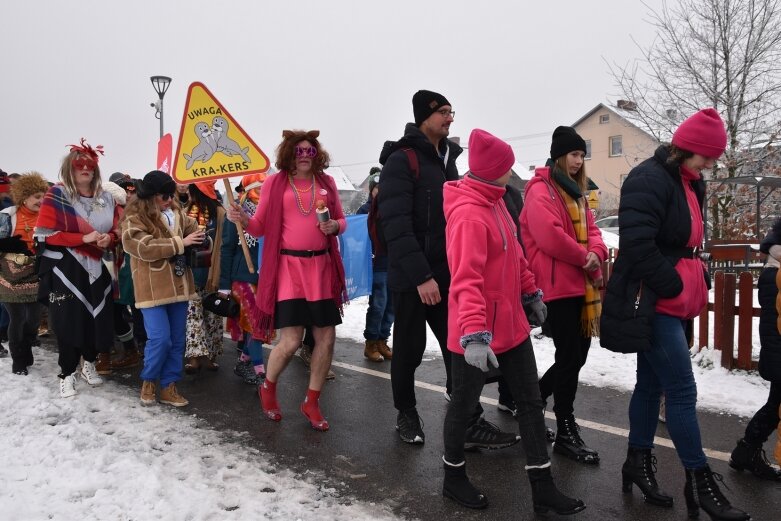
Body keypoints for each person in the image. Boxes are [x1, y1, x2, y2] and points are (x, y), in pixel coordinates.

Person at [601, 109, 750, 520]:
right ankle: (699, 482)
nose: (711, 164)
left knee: (650, 387)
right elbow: (636, 243)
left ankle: (638, 461)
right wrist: (675, 283)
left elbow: (685, 241)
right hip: (655, 302)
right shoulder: (649, 178)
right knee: (681, 392)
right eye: (707, 156)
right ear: (689, 149)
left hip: (673, 302)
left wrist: (693, 273)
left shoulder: (689, 180)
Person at [441, 129, 585, 514]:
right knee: (464, 404)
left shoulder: (497, 202)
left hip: (511, 324)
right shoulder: (469, 215)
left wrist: (530, 292)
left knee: (531, 402)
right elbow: (465, 279)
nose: (511, 172)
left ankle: (543, 485)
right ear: (492, 171)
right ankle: (453, 477)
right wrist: (473, 334)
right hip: (476, 334)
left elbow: (516, 254)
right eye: (506, 167)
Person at [378, 90, 517, 449]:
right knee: (408, 350)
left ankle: (468, 421)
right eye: (442, 112)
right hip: (413, 277)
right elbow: (396, 224)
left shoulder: (446, 160)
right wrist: (421, 276)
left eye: (451, 111)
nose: (449, 118)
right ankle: (406, 414)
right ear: (423, 116)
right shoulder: (402, 160)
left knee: (460, 346)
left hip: (447, 272)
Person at [226, 129, 347, 431]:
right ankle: (268, 386)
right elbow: (258, 227)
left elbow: (342, 220)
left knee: (326, 338)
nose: (305, 156)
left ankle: (312, 401)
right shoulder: (276, 184)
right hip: (288, 270)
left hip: (321, 269)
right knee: (291, 341)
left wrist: (335, 225)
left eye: (310, 151)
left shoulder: (327, 184)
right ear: (289, 153)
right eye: (299, 151)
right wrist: (241, 218)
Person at [520, 126, 607, 463]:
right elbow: (549, 236)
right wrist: (584, 257)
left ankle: (536, 401)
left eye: (582, 155)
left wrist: (596, 253)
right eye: (573, 154)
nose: (577, 161)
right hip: (556, 288)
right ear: (559, 155)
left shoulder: (577, 193)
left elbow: (595, 229)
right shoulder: (540, 190)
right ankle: (566, 427)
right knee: (570, 355)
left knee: (576, 356)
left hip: (580, 286)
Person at [34, 139, 120, 398]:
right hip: (66, 266)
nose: (85, 169)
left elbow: (117, 229)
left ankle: (89, 363)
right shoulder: (57, 196)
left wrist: (110, 239)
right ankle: (67, 372)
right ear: (69, 168)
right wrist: (82, 239)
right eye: (79, 165)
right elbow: (45, 235)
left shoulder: (107, 198)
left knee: (99, 316)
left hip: (98, 263)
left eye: (90, 166)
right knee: (70, 319)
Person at [121, 170, 204, 406]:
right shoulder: (134, 217)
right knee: (160, 339)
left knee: (178, 341)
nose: (169, 199)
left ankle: (169, 385)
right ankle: (149, 380)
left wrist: (198, 236)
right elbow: (141, 246)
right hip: (152, 289)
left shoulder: (177, 212)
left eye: (171, 194)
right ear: (150, 196)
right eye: (164, 195)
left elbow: (192, 228)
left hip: (179, 285)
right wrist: (181, 243)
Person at [727, 218, 781, 481]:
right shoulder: (775, 276)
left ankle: (746, 450)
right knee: (775, 406)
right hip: (779, 352)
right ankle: (747, 449)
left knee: (775, 405)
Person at [220, 173, 272, 385]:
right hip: (243, 278)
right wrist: (224, 285)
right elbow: (227, 249)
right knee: (254, 326)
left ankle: (243, 363)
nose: (262, 193)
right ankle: (261, 373)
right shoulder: (235, 214)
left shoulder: (273, 213)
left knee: (260, 325)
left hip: (266, 278)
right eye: (258, 188)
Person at [0, 172, 49, 374]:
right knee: (17, 317)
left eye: (43, 196)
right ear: (24, 197)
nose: (41, 200)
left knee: (34, 319)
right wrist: (8, 244)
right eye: (37, 197)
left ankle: (27, 344)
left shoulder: (47, 216)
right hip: (10, 273)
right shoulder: (8, 215)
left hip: (36, 271)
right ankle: (18, 359)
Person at [184, 181, 226, 373]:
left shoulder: (219, 213)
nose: (188, 194)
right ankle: (194, 357)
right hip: (191, 272)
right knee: (193, 316)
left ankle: (208, 356)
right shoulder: (186, 211)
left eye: (190, 191)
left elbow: (224, 243)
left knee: (212, 315)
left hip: (212, 271)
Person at [102, 180, 142, 369]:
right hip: (102, 266)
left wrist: (111, 237)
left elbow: (122, 237)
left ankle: (129, 349)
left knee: (115, 310)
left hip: (117, 268)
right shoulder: (100, 212)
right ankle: (111, 350)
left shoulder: (122, 214)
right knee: (109, 311)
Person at [356, 166, 394, 362]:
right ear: (371, 190)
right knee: (379, 304)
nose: (380, 191)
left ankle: (382, 339)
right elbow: (356, 238)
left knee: (391, 306)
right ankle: (370, 342)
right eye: (377, 187)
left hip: (393, 264)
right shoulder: (364, 210)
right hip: (375, 265)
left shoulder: (392, 208)